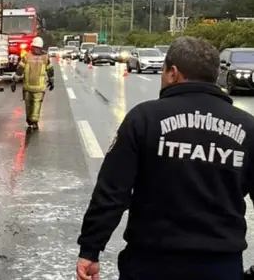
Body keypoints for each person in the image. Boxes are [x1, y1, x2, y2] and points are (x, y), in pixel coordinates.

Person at [76, 36, 254, 280]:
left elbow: (112, 193)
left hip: (150, 263)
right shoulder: (247, 128)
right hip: (220, 265)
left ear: (173, 73)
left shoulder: (145, 119)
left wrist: (90, 249)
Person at [14, 36, 54, 129]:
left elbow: (20, 69)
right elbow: (50, 70)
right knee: (37, 104)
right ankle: (34, 120)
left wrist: (14, 81)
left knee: (28, 104)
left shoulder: (26, 56)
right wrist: (52, 81)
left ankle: (29, 120)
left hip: (27, 87)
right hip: (39, 88)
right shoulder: (45, 57)